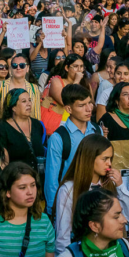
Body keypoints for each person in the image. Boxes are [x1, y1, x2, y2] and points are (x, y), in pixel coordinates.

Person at [53, 134, 129, 255]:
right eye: (105, 159)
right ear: (90, 158)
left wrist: (120, 186)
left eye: (111, 159)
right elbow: (63, 237)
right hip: (82, 255)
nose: (109, 163)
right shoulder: (69, 189)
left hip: (111, 253)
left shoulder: (110, 184)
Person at [45, 189, 129, 257]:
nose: (124, 220)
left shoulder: (124, 246)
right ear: (94, 226)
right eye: (116, 217)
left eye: (121, 213)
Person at [44, 84, 101, 216]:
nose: (88, 109)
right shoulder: (59, 137)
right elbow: (51, 180)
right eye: (81, 105)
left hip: (94, 199)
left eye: (89, 103)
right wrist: (53, 210)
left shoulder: (97, 131)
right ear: (69, 108)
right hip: (68, 202)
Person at [0, 88, 46, 173]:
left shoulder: (37, 124)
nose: (29, 104)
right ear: (13, 107)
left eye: (29, 100)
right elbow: (3, 162)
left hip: (37, 178)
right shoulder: (3, 128)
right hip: (15, 179)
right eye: (24, 101)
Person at [0, 53, 42, 120]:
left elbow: (37, 116)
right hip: (5, 128)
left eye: (22, 65)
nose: (18, 68)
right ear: (10, 68)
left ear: (27, 68)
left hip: (27, 128)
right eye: (14, 65)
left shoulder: (34, 88)